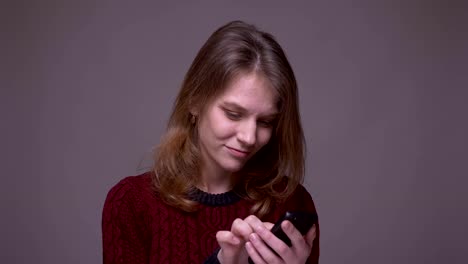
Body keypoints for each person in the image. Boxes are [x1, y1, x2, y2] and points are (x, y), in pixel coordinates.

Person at [102, 20, 320, 264]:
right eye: (233, 114)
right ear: (195, 102)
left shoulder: (292, 201)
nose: (249, 137)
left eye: (266, 122)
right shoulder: (132, 203)